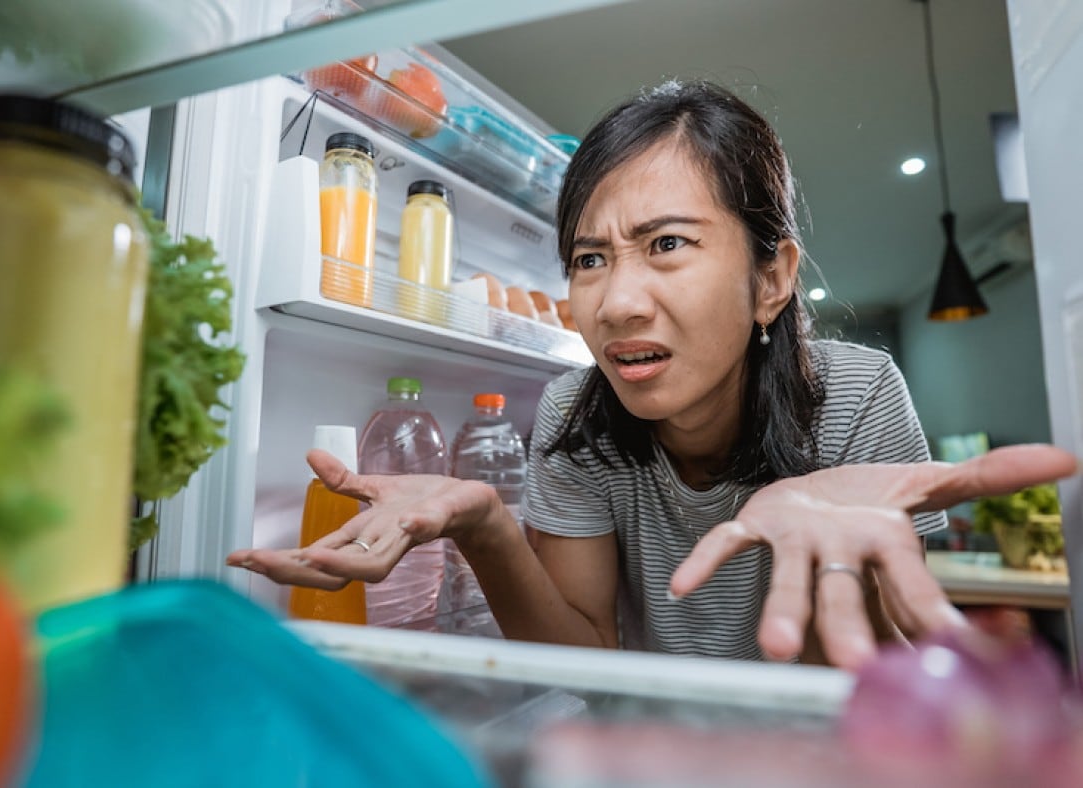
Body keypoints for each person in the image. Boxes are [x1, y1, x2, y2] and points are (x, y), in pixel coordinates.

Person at [228, 80, 1077, 670]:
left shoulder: (855, 396)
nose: (617, 303)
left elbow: (872, 690)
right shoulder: (574, 412)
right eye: (590, 257)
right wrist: (485, 525)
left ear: (772, 280)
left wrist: (824, 563)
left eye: (667, 244)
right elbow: (588, 661)